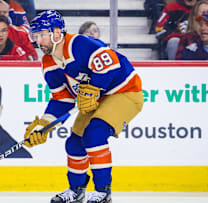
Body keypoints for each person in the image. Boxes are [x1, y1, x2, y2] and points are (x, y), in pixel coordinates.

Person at [24, 10, 143, 203]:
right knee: (74, 143)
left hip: (125, 91)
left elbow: (110, 63)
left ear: (56, 32)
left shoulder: (79, 44)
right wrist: (43, 125)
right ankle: (76, 190)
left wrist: (95, 87)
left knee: (94, 134)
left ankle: (103, 192)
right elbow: (62, 99)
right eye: (34, 36)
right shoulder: (48, 64)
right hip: (97, 99)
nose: (37, 41)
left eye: (41, 35)